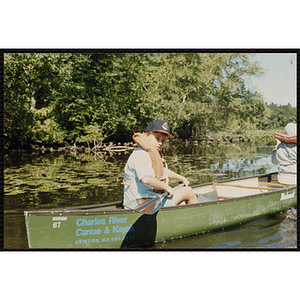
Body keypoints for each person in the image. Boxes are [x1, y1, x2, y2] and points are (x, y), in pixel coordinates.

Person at [123, 120, 198, 209]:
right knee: (188, 192)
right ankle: (199, 218)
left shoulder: (146, 153)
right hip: (141, 205)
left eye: (163, 140)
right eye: (157, 138)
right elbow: (146, 179)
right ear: (146, 135)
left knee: (180, 191)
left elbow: (162, 171)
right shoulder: (141, 154)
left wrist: (181, 178)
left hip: (144, 201)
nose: (160, 143)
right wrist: (167, 187)